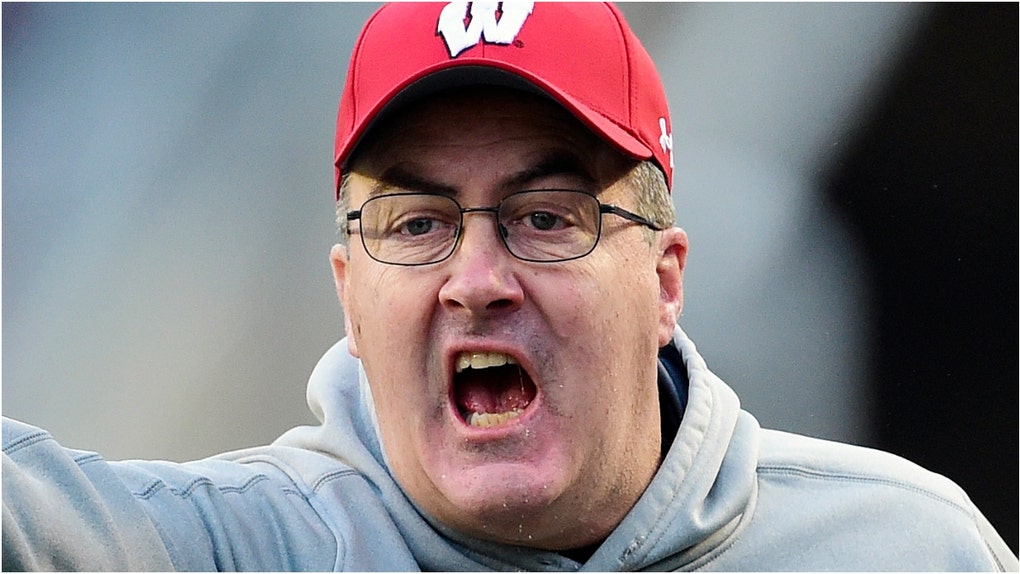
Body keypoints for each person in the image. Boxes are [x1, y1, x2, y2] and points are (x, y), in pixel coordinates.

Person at [3, 3, 1016, 571]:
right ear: (351, 297)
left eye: (546, 218)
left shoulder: (898, 550)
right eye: (418, 224)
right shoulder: (249, 550)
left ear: (665, 282)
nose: (476, 281)